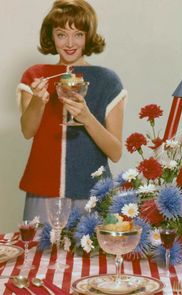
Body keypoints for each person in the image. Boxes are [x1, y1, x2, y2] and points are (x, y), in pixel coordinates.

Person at [17, 0, 127, 223]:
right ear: (51, 36)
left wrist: (86, 117)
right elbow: (28, 131)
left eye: (78, 34)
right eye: (61, 34)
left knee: (91, 258)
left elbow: (115, 152)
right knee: (39, 257)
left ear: (88, 36)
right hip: (42, 193)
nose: (69, 43)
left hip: (92, 195)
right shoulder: (35, 76)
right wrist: (38, 101)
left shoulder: (108, 81)